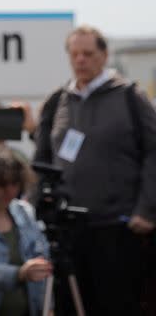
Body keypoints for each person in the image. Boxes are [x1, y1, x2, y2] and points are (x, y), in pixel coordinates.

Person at [34, 25, 156, 315]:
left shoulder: (129, 96)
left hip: (117, 226)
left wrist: (147, 209)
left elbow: (154, 152)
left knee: (116, 304)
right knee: (68, 306)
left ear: (104, 55)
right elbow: (42, 160)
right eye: (75, 54)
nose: (81, 61)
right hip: (69, 231)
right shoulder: (57, 101)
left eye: (88, 54)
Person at [0, 146, 51, 316]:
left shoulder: (23, 212)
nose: (9, 190)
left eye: (15, 183)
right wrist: (17, 274)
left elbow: (43, 263)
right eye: (1, 184)